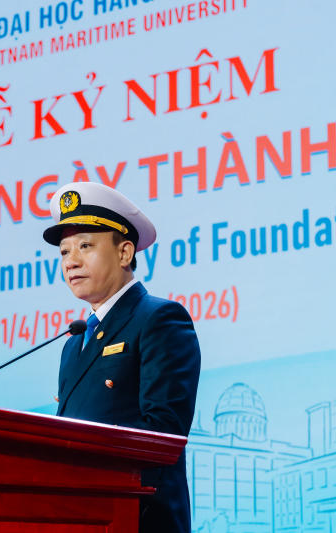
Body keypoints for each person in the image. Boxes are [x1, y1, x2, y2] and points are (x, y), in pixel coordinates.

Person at [43, 182, 201, 533]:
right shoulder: (75, 341)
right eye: (64, 252)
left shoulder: (159, 319)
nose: (71, 261)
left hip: (138, 518)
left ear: (125, 252)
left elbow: (163, 434)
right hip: (81, 517)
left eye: (85, 246)